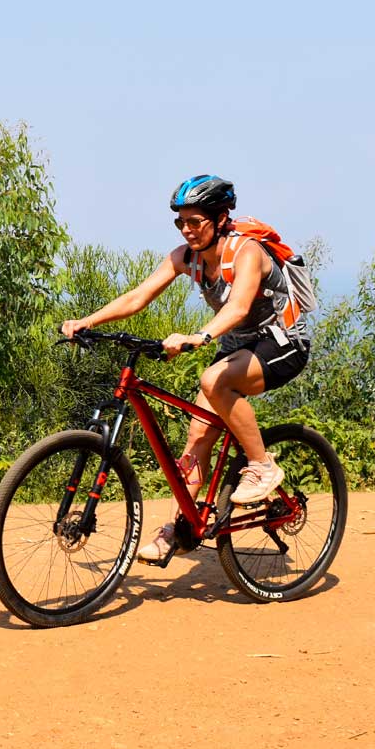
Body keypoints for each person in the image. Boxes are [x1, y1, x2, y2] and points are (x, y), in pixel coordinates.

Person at [59, 175, 311, 561]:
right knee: (196, 439)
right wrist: (88, 321)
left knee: (213, 381)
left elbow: (239, 307)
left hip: (281, 342)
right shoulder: (185, 257)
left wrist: (199, 336)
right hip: (236, 345)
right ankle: (178, 529)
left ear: (221, 218)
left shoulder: (246, 252)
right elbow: (139, 296)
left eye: (196, 221)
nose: (187, 230)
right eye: (181, 222)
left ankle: (262, 466)